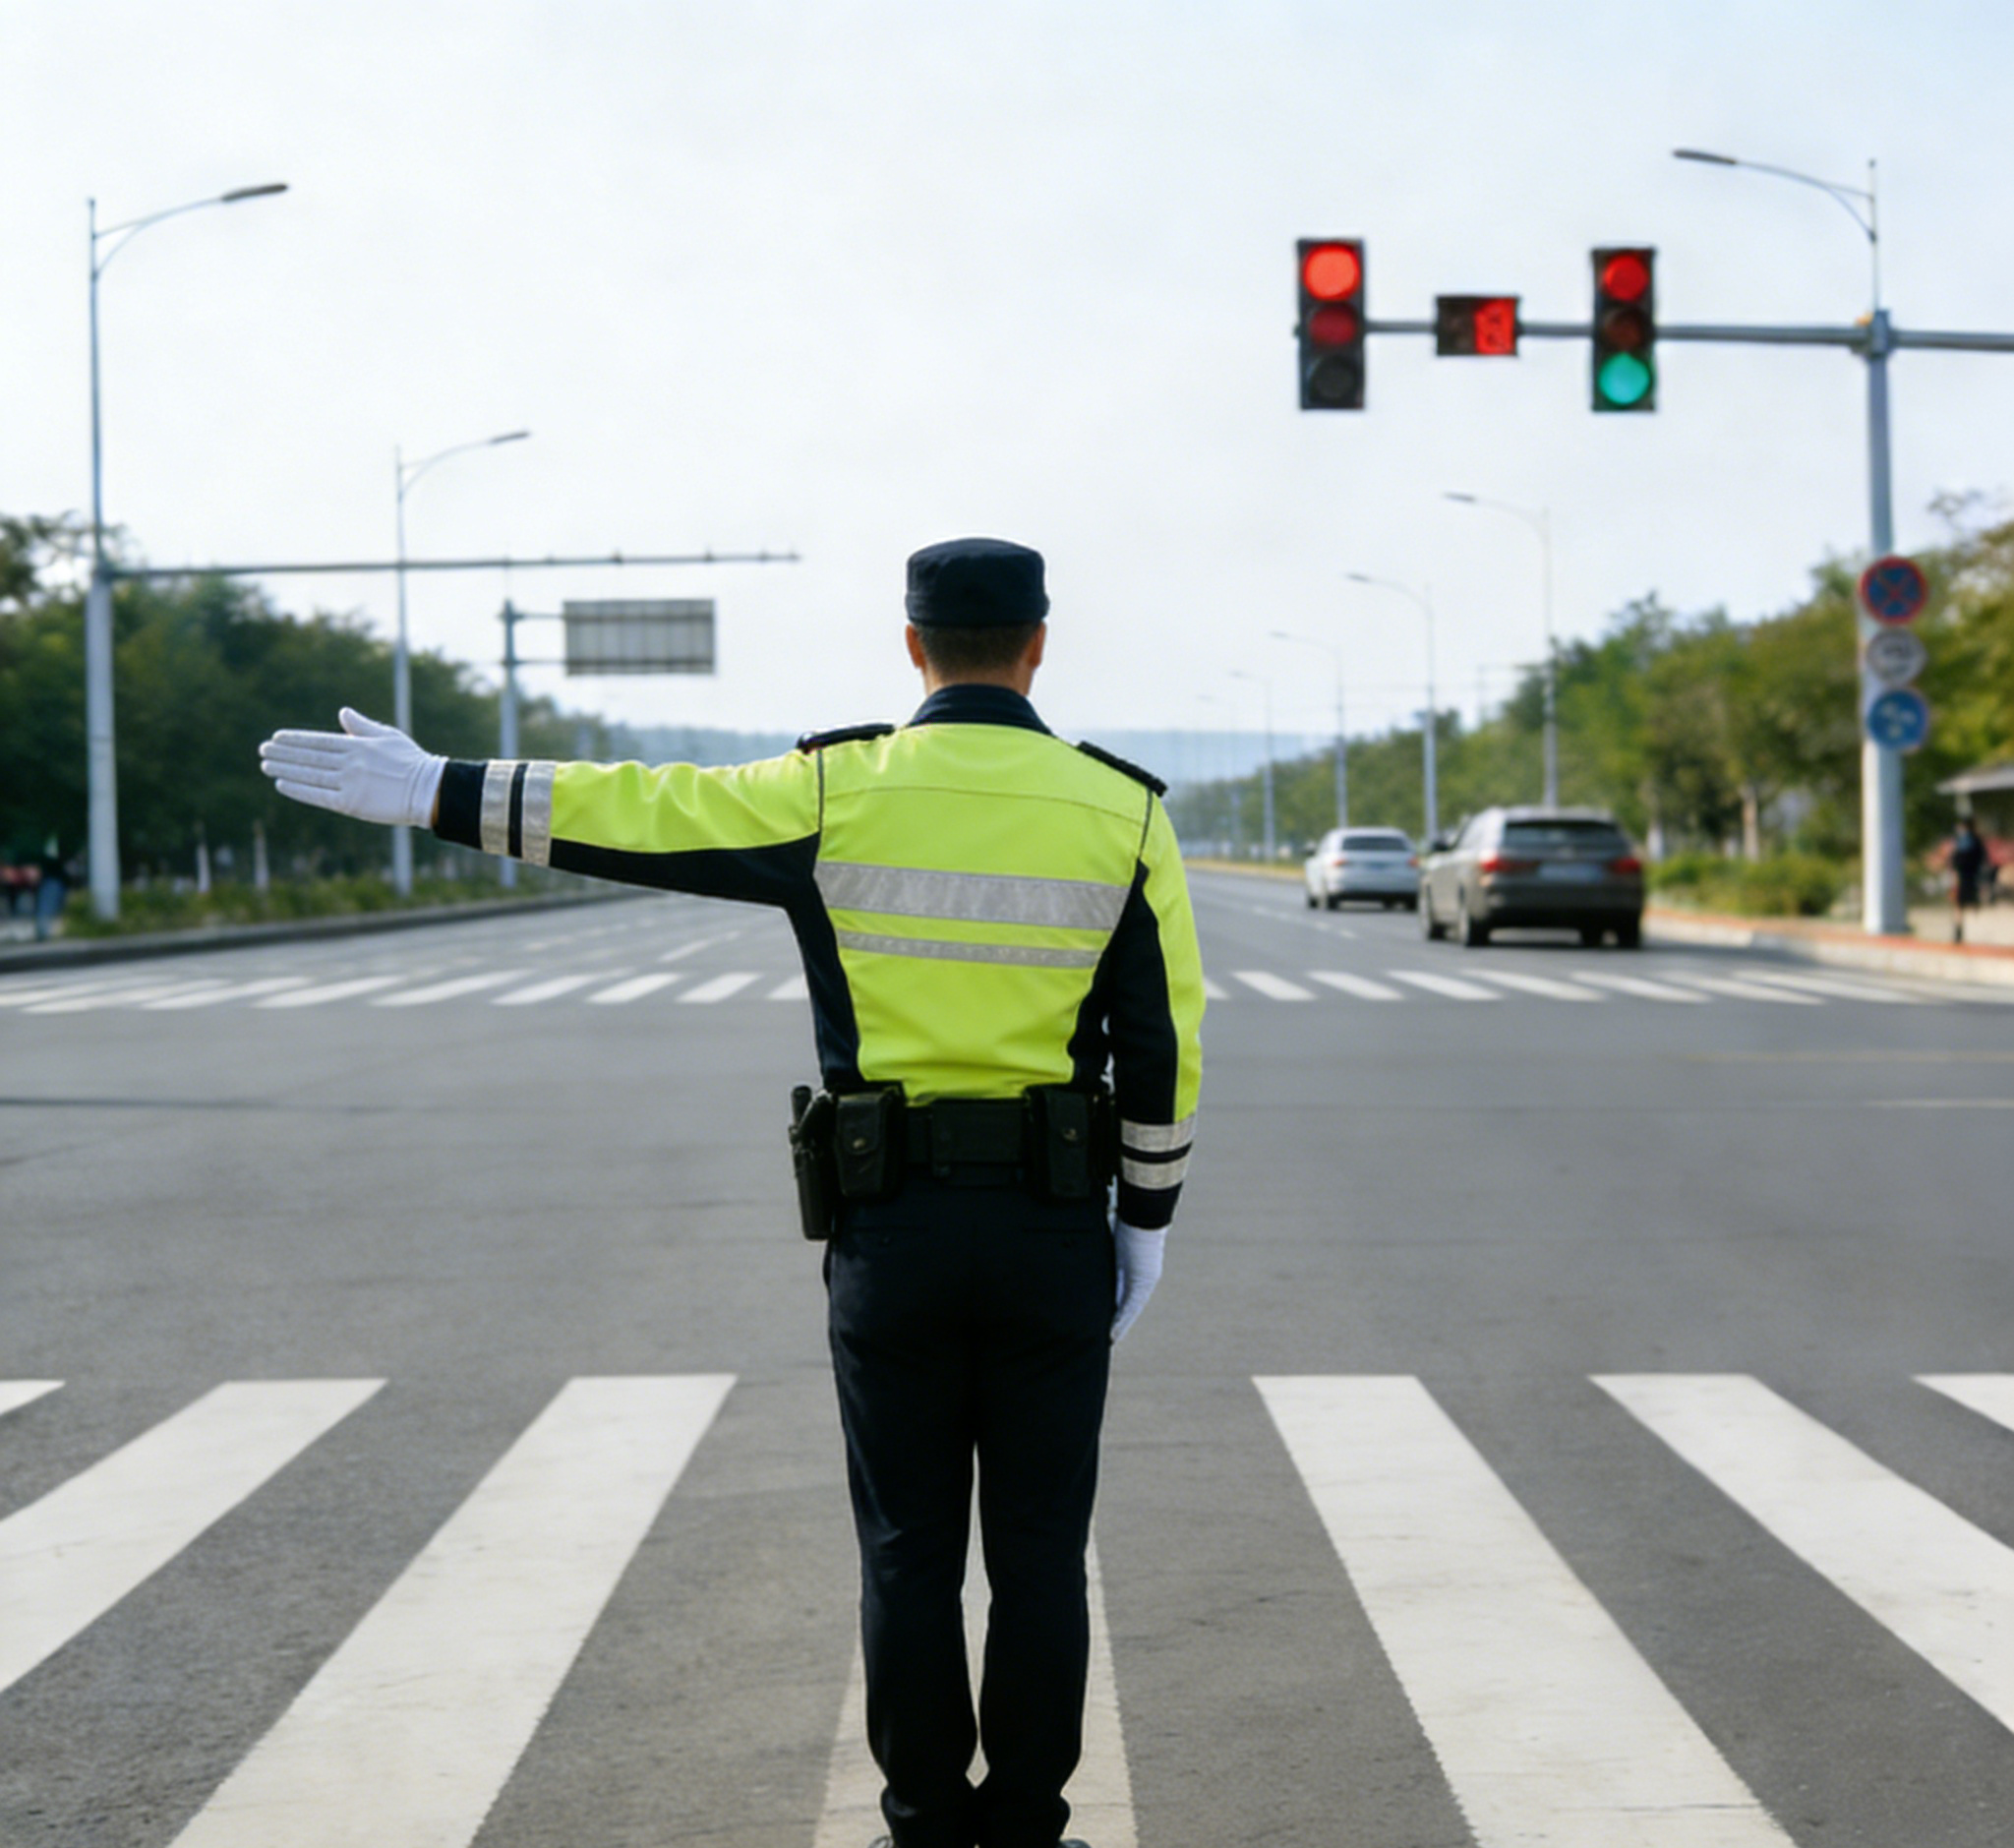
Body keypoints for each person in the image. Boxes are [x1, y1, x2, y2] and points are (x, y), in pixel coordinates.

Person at [259, 537, 1206, 1848]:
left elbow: (650, 808)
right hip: (1051, 1227)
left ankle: (926, 1823)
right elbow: (1166, 1046)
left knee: (908, 1545)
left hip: (893, 1231)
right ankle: (1030, 1825)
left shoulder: (836, 787)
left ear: (914, 646)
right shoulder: (1126, 810)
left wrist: (442, 789)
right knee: (1042, 1548)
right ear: (1039, 642)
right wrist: (1142, 1222)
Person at [1950, 816, 1987, 942]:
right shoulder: (1977, 841)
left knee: (1959, 905)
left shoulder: (1964, 841)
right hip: (1974, 876)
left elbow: (1957, 861)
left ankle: (1959, 932)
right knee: (1970, 902)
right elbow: (1983, 859)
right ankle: (1968, 930)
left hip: (1962, 877)